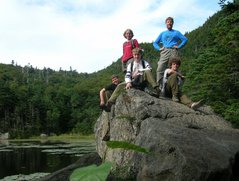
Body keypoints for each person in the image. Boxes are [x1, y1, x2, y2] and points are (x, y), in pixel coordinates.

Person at [103, 48, 160, 112]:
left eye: (138, 54)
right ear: (133, 55)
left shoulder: (144, 62)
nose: (136, 56)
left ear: (140, 55)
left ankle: (156, 88)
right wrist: (128, 82)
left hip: (142, 80)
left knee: (147, 71)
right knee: (120, 85)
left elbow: (149, 69)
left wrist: (139, 71)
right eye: (135, 55)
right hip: (134, 81)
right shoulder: (130, 65)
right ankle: (109, 103)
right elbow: (128, 74)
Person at [153, 17, 188, 90]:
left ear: (172, 23)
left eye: (171, 22)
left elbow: (185, 39)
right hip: (165, 51)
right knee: (160, 68)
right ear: (166, 23)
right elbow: (155, 43)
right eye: (168, 22)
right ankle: (159, 87)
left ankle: (175, 87)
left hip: (173, 50)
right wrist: (159, 48)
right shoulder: (162, 33)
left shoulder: (176, 32)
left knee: (174, 68)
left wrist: (179, 46)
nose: (169, 23)